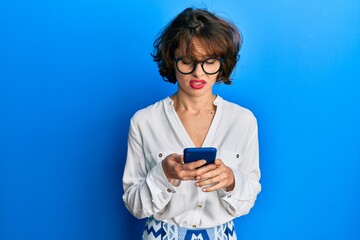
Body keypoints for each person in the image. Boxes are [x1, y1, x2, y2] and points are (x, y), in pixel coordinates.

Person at [122, 7, 261, 240]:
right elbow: (135, 206)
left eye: (209, 62)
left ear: (221, 64)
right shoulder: (144, 121)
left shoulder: (243, 121)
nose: (198, 73)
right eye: (187, 61)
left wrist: (231, 180)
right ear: (172, 60)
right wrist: (163, 174)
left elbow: (247, 201)